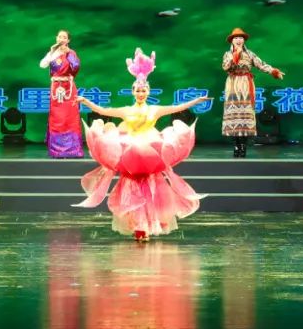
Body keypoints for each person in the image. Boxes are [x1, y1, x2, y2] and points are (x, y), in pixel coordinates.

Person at [76, 48, 212, 240]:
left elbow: (177, 107)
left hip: (150, 150)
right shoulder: (125, 110)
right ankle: (138, 226)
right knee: (132, 188)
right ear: (133, 92)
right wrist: (85, 102)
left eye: (144, 90)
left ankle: (147, 225)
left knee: (151, 187)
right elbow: (103, 111)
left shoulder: (155, 110)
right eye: (138, 90)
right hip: (131, 150)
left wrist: (196, 101)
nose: (141, 93)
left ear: (148, 91)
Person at [221, 27, 285, 158]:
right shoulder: (228, 54)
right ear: (232, 41)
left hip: (245, 84)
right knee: (234, 115)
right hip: (233, 84)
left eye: (241, 38)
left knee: (244, 116)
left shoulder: (250, 54)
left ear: (244, 40)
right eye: (236, 38)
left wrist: (273, 71)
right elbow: (226, 67)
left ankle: (243, 145)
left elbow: (261, 65)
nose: (238, 40)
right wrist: (236, 54)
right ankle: (236, 145)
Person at [39, 29, 84, 158]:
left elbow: (75, 67)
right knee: (57, 118)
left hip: (68, 88)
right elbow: (42, 65)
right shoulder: (53, 52)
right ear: (56, 38)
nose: (61, 39)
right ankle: (56, 150)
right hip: (56, 88)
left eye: (64, 37)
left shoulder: (72, 53)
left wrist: (68, 53)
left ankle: (72, 150)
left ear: (68, 40)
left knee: (70, 118)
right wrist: (52, 52)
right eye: (59, 37)